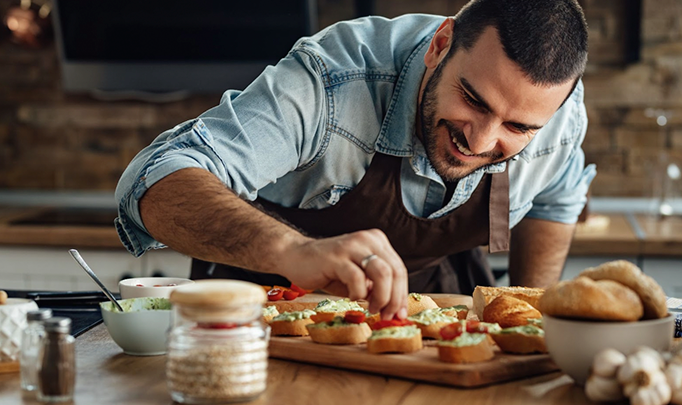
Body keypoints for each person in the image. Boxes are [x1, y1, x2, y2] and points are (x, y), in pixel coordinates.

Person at [115, 0, 595, 320]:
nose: (482, 139)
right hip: (262, 308)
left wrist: (528, 322)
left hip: (436, 308)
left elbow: (556, 198)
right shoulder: (333, 82)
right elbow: (153, 179)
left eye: (517, 128)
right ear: (440, 45)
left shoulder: (559, 116)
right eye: (473, 100)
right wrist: (294, 253)